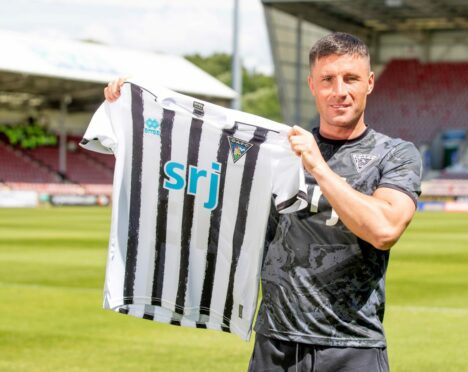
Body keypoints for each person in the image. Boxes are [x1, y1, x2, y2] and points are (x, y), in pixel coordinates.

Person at [104, 32, 421, 372]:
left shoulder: (396, 154)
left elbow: (384, 229)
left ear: (370, 83)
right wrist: (133, 108)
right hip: (276, 347)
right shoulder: (277, 150)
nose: (339, 91)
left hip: (353, 348)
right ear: (312, 85)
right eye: (327, 79)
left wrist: (318, 168)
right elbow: (195, 160)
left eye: (351, 79)